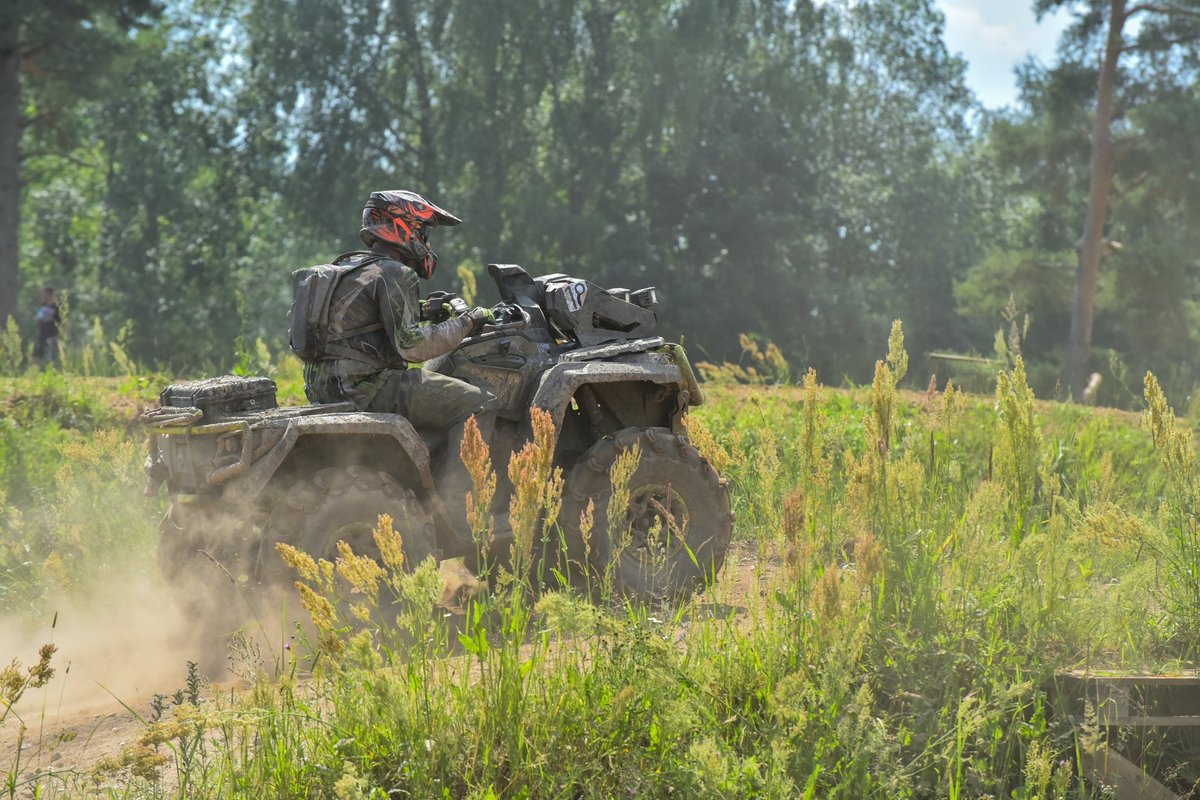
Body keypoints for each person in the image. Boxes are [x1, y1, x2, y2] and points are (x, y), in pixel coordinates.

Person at [302, 190, 494, 431]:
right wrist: (469, 322)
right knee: (482, 402)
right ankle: (458, 471)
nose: (426, 242)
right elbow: (412, 347)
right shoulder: (395, 272)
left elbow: (362, 324)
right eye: (424, 233)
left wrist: (423, 312)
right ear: (405, 227)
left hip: (324, 389)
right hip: (366, 388)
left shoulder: (349, 268)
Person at [33, 286, 60, 366]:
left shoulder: (57, 306)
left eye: (44, 294)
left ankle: (53, 371)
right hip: (42, 333)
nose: (42, 296)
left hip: (53, 333)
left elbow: (61, 321)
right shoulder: (43, 305)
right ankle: (36, 372)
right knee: (37, 354)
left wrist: (57, 335)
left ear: (49, 294)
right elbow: (39, 318)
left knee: (52, 355)